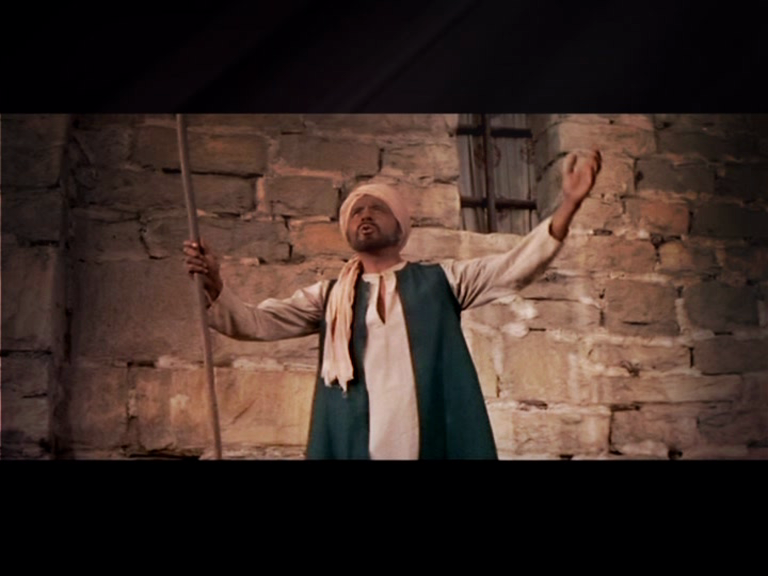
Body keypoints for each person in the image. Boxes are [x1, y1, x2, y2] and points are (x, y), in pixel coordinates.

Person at [184, 149, 601, 459]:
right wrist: (216, 284)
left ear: (400, 226)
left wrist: (569, 204)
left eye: (377, 208)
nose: (364, 215)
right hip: (354, 436)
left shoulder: (443, 281)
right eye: (356, 212)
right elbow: (255, 322)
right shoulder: (328, 296)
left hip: (427, 434)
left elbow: (516, 266)